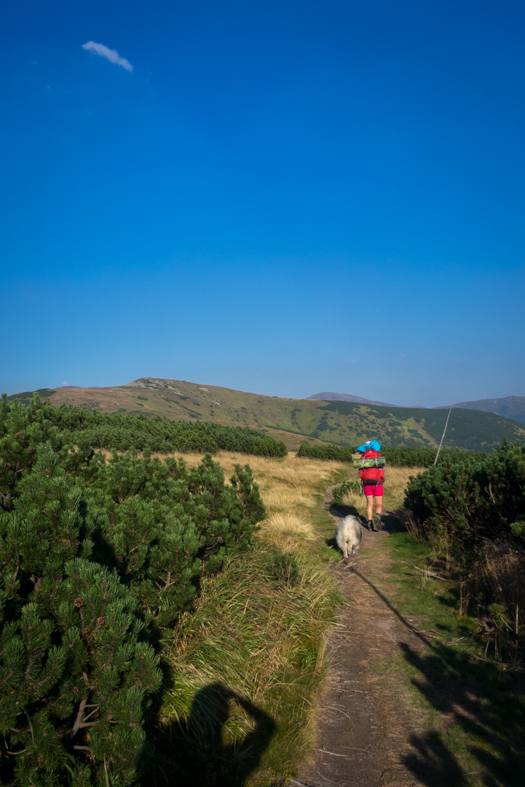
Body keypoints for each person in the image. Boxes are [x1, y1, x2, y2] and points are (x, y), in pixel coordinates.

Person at [356, 440, 385, 532]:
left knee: (369, 504)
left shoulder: (363, 456)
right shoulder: (378, 456)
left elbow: (360, 469)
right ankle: (377, 516)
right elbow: (382, 470)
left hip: (366, 483)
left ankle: (369, 524)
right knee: (379, 504)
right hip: (377, 483)